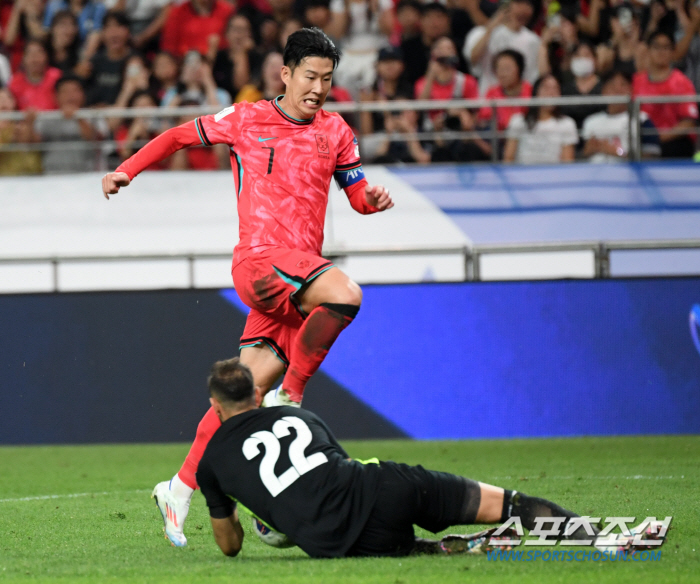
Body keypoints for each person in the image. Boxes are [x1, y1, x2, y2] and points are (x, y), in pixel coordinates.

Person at [101, 27, 394, 547]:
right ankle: (294, 396)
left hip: (299, 275)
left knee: (244, 394)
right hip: (262, 264)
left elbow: (356, 197)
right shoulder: (247, 118)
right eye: (310, 76)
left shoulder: (337, 131)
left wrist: (372, 198)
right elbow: (175, 137)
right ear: (285, 74)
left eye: (327, 79)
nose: (318, 88)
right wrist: (126, 169)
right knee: (345, 294)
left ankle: (179, 487)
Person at [175, 357, 605, 558]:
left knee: (402, 549)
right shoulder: (294, 414)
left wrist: (260, 518)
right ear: (256, 394)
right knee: (506, 504)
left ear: (214, 406)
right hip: (387, 489)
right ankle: (596, 538)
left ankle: (428, 551)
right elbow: (338, 465)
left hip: (339, 542)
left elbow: (229, 547)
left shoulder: (212, 462)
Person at [633, 30, 698, 158]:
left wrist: (657, 137)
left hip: (673, 143)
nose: (661, 51)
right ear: (649, 50)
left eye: (666, 47)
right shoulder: (637, 81)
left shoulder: (682, 82)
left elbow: (689, 123)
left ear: (673, 52)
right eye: (656, 47)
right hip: (643, 141)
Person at [463, 0, 541, 95]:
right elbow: (473, 59)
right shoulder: (481, 33)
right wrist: (491, 28)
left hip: (519, 101)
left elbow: (532, 75)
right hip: (488, 99)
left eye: (528, 4)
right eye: (519, 3)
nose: (523, 8)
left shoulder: (533, 40)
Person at [582, 68, 661, 162]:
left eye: (623, 85)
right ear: (603, 92)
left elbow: (652, 157)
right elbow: (577, 159)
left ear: (631, 90)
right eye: (612, 86)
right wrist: (587, 152)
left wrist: (617, 152)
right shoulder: (591, 121)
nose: (617, 90)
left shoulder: (642, 119)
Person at [503, 74, 578, 164]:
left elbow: (567, 162)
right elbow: (508, 158)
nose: (551, 93)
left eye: (555, 89)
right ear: (536, 92)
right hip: (522, 174)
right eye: (546, 88)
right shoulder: (518, 121)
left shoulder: (567, 124)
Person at [34, 74, 101, 173]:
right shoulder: (47, 118)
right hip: (51, 175)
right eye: (65, 91)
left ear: (83, 94)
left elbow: (97, 141)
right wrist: (29, 123)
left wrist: (78, 117)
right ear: (55, 96)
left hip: (86, 176)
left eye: (75, 91)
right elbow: (34, 144)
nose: (70, 95)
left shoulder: (93, 115)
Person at [84, 11, 133, 107]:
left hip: (122, 117)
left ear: (128, 31)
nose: (114, 33)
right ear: (102, 33)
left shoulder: (135, 60)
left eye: (119, 26)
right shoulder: (94, 62)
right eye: (108, 27)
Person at [477, 48, 532, 133]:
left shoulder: (531, 91)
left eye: (507, 68)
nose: (502, 73)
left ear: (519, 69)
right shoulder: (492, 92)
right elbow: (484, 118)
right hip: (499, 140)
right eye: (499, 68)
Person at [159, 0, 234, 59]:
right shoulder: (178, 12)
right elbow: (169, 46)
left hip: (219, 62)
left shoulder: (226, 10)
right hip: (184, 64)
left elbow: (232, 41)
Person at [8, 39, 62, 111]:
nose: (35, 58)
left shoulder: (57, 76)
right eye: (30, 54)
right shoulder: (15, 82)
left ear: (46, 57)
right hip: (25, 121)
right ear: (23, 59)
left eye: (39, 53)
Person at [561, 42, 604, 129]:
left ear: (595, 60)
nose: (582, 59)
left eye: (586, 55)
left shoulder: (604, 88)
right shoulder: (565, 89)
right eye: (578, 55)